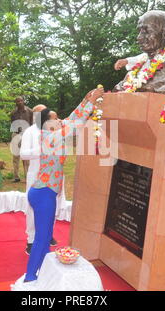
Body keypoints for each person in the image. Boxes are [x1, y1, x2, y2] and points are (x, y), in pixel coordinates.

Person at [23, 86, 104, 283]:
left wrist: (85, 101)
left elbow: (71, 118)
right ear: (47, 123)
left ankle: (40, 271)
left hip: (44, 192)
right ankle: (30, 277)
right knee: (42, 238)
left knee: (46, 234)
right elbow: (76, 123)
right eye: (55, 118)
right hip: (43, 194)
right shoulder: (52, 137)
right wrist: (93, 102)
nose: (60, 120)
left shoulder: (53, 131)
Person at [20, 105, 63, 255]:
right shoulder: (30, 132)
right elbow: (23, 154)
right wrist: (42, 150)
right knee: (33, 210)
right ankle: (31, 240)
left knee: (53, 207)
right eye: (37, 113)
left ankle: (47, 234)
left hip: (54, 176)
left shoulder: (55, 129)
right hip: (37, 177)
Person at [10, 96, 33, 182]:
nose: (19, 102)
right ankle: (16, 177)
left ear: (24, 101)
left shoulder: (30, 111)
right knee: (15, 156)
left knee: (26, 156)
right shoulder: (13, 113)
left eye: (21, 100)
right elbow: (13, 124)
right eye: (17, 101)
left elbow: (32, 124)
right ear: (15, 103)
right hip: (16, 134)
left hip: (26, 135)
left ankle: (27, 177)